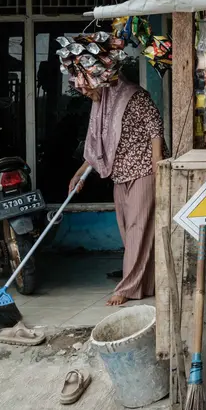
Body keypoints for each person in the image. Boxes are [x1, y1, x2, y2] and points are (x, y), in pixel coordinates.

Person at [71, 77, 165, 306]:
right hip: (120, 174)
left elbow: (156, 130)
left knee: (138, 229)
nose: (84, 92)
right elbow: (96, 147)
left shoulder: (134, 95)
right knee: (128, 230)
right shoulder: (101, 106)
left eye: (86, 86)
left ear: (100, 80)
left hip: (144, 170)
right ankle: (147, 284)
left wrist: (158, 167)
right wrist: (78, 174)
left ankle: (127, 287)